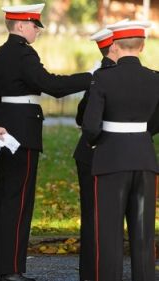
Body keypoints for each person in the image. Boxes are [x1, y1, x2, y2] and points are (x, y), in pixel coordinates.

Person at [0, 3, 92, 281]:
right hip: (22, 133)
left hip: (6, 132)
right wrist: (90, 78)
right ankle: (11, 270)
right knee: (19, 201)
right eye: (34, 25)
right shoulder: (24, 54)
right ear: (21, 26)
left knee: (3, 199)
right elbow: (53, 86)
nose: (37, 30)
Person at [82, 20, 158, 281]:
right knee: (143, 236)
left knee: (110, 235)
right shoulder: (154, 78)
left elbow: (91, 126)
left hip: (111, 159)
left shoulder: (103, 78)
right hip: (145, 158)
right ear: (143, 46)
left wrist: (95, 141)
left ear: (114, 45)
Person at [72, 27, 117, 281]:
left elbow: (81, 116)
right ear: (115, 48)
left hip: (88, 154)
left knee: (91, 217)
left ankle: (90, 272)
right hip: (101, 154)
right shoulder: (107, 79)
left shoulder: (97, 77)